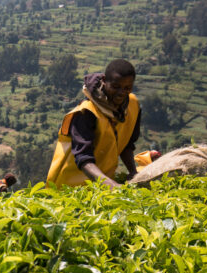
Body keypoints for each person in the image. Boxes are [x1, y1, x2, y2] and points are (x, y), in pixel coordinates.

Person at [47, 59, 141, 188]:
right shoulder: (86, 113)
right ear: (104, 80)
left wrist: (133, 172)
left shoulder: (132, 104)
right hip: (69, 188)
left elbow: (127, 144)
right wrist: (110, 185)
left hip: (101, 186)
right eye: (115, 87)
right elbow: (84, 159)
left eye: (127, 88)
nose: (121, 93)